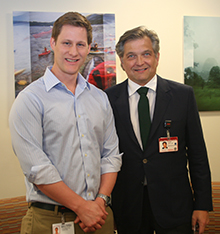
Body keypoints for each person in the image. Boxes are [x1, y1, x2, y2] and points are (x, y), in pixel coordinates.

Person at [9, 12, 122, 234]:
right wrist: (82, 207)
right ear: (52, 43)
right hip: (49, 220)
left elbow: (111, 156)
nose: (73, 51)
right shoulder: (30, 99)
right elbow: (38, 170)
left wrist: (100, 201)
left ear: (89, 47)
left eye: (80, 44)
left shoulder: (100, 98)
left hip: (100, 217)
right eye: (66, 43)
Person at [105, 26, 212, 234]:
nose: (139, 62)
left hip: (175, 208)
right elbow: (103, 156)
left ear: (157, 57)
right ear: (122, 62)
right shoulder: (107, 100)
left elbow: (198, 155)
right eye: (131, 56)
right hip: (128, 209)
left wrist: (202, 204)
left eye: (146, 54)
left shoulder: (183, 96)